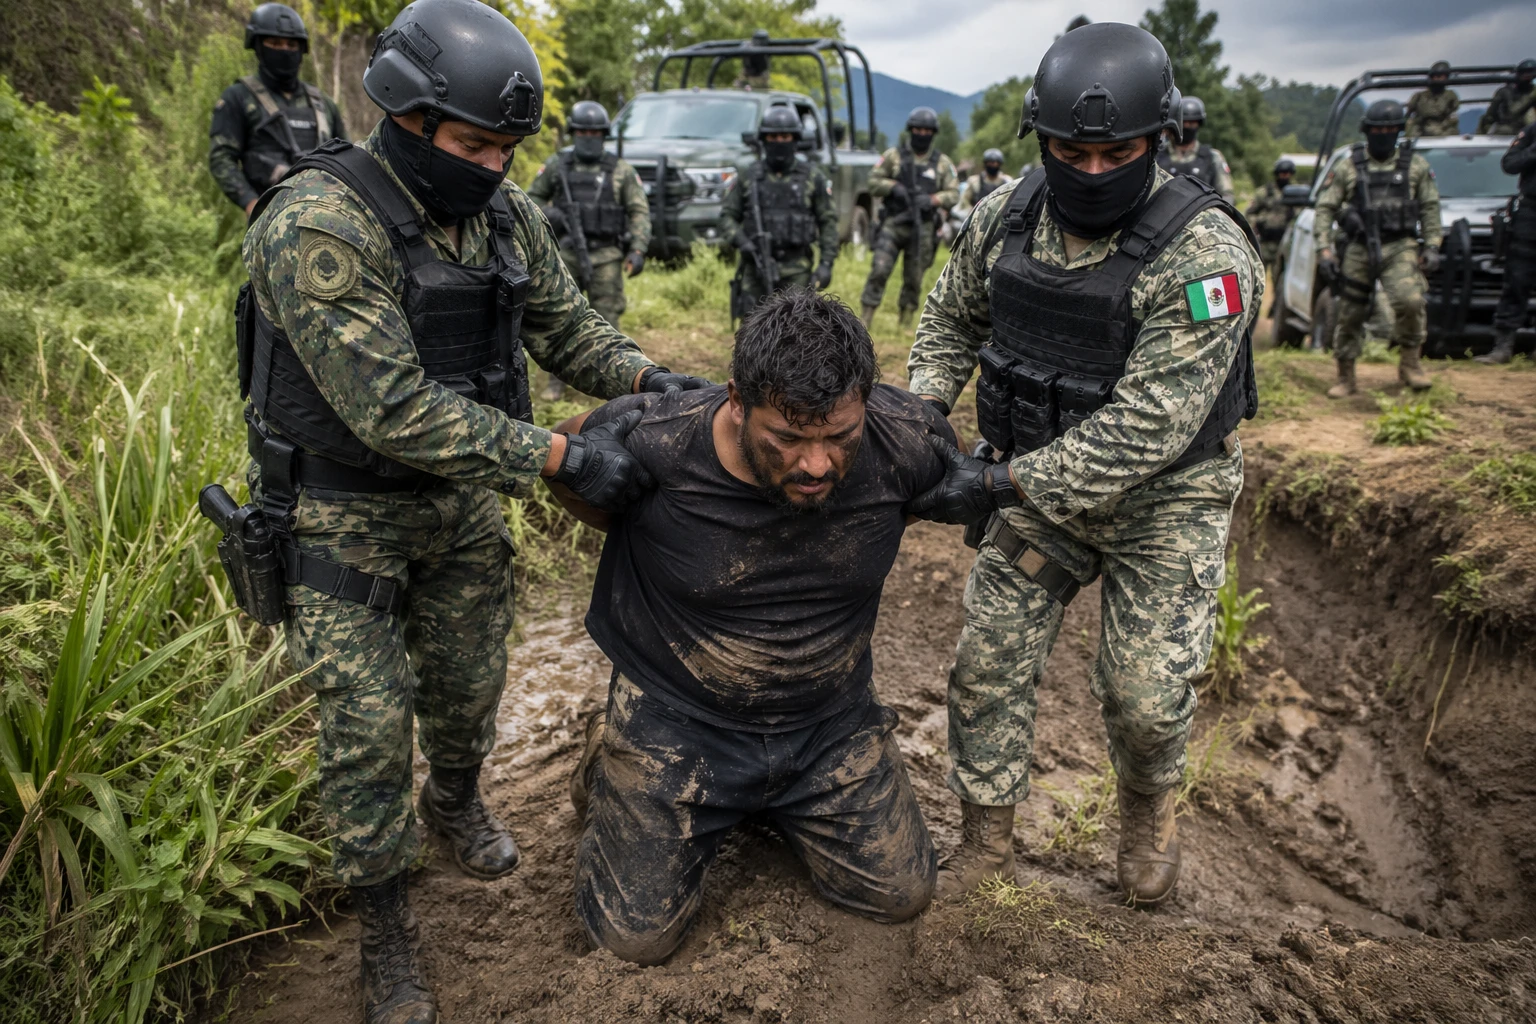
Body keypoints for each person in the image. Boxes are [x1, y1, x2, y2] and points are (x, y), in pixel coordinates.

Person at [239, 2, 707, 1020]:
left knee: (468, 692)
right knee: (366, 731)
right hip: (339, 518)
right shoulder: (319, 224)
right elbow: (391, 408)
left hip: (459, 512)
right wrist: (557, 455)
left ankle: (453, 800)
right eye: (474, 144)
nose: (495, 164)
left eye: (507, 147)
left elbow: (565, 326)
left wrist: (652, 379)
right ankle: (385, 924)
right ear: (405, 118)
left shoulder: (503, 215)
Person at [904, 21, 1260, 907]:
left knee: (1144, 700)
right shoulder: (1007, 216)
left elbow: (1148, 429)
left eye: (1119, 153)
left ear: (1162, 138)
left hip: (1162, 503)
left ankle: (1147, 814)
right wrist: (919, 419)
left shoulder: (1205, 255)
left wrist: (993, 483)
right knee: (986, 662)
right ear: (1042, 138)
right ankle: (985, 843)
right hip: (1037, 492)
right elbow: (951, 319)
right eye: (1070, 151)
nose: (1092, 171)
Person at [557, 289, 953, 964]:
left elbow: (938, 483)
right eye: (789, 437)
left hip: (830, 724)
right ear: (737, 400)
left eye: (838, 437)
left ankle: (774, 802)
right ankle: (611, 752)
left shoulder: (906, 438)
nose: (817, 464)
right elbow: (570, 468)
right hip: (679, 721)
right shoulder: (655, 439)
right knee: (634, 942)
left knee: (901, 893)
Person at [1313, 99, 1441, 397]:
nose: (1383, 134)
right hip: (1358, 248)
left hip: (1400, 246)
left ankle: (1410, 364)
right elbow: (1325, 207)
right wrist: (1325, 251)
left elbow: (1430, 208)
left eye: (1390, 129)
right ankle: (1346, 376)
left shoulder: (1415, 166)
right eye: (1377, 129)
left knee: (1410, 301)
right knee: (1350, 312)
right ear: (1367, 131)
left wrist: (1433, 245)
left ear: (1399, 132)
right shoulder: (1349, 166)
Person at [527, 100, 650, 400]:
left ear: (604, 135)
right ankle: (556, 381)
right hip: (566, 253)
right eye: (583, 132)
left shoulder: (620, 171)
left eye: (595, 133)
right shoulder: (558, 165)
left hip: (607, 255)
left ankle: (618, 380)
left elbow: (639, 211)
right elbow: (529, 201)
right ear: (574, 133)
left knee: (607, 318)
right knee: (556, 318)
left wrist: (638, 249)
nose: (589, 138)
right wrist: (554, 216)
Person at [209, 4, 347, 217]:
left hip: (325, 217)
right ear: (257, 45)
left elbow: (347, 159)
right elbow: (221, 158)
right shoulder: (238, 98)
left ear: (302, 49)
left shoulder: (323, 105)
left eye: (291, 45)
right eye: (274, 43)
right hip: (269, 219)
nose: (284, 50)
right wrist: (250, 203)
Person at [720, 104, 839, 321]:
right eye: (773, 137)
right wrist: (742, 242)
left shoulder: (812, 177)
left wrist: (826, 264)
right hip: (755, 266)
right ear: (764, 140)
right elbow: (727, 216)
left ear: (795, 139)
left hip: (797, 269)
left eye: (785, 137)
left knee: (796, 330)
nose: (779, 142)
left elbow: (828, 221)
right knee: (751, 330)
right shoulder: (749, 176)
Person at [860, 106, 960, 329]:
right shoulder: (893, 157)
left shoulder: (942, 163)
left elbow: (954, 193)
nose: (921, 134)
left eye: (926, 131)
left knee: (914, 278)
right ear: (910, 130)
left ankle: (905, 323)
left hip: (922, 227)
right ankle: (865, 319)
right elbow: (872, 181)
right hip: (894, 223)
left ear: (933, 133)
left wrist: (933, 200)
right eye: (917, 129)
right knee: (880, 269)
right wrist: (893, 186)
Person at [1477, 123, 1536, 363]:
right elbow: (1509, 164)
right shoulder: (1532, 132)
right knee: (1516, 280)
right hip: (1531, 213)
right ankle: (1503, 346)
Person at [1156, 95, 1235, 203]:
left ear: (1199, 124)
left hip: (1203, 216)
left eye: (1192, 123)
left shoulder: (1212, 157)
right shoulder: (1157, 155)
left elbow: (1226, 194)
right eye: (1184, 122)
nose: (1187, 126)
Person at [1246, 157, 1298, 274]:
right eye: (1283, 173)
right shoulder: (1264, 192)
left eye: (1288, 173)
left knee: (1281, 279)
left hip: (1284, 243)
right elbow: (1250, 213)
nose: (1285, 176)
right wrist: (1257, 224)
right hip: (1264, 242)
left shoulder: (1295, 193)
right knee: (1256, 276)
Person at [1478, 59, 1536, 136]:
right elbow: (1512, 112)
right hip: (1508, 130)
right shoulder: (1506, 92)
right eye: (1525, 76)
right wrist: (1531, 96)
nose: (1528, 79)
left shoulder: (1532, 90)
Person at [1407, 61, 1461, 138]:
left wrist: (1443, 127)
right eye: (1435, 76)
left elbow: (1453, 117)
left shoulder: (1450, 96)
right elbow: (1409, 116)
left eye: (1440, 76)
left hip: (1444, 130)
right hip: (1421, 131)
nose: (1437, 79)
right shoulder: (1419, 96)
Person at [958, 148, 1014, 216]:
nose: (994, 165)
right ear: (985, 163)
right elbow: (965, 202)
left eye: (996, 163)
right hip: (978, 219)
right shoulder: (975, 182)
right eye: (991, 163)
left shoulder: (1008, 182)